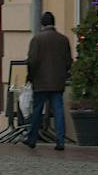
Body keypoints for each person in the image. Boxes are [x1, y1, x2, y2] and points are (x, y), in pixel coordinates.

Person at [24, 12, 73, 152]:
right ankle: (60, 140)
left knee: (37, 110)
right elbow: (68, 60)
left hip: (40, 81)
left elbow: (32, 61)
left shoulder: (37, 39)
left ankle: (32, 138)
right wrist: (64, 73)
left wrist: (30, 76)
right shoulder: (63, 39)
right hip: (58, 81)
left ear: (42, 23)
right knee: (58, 110)